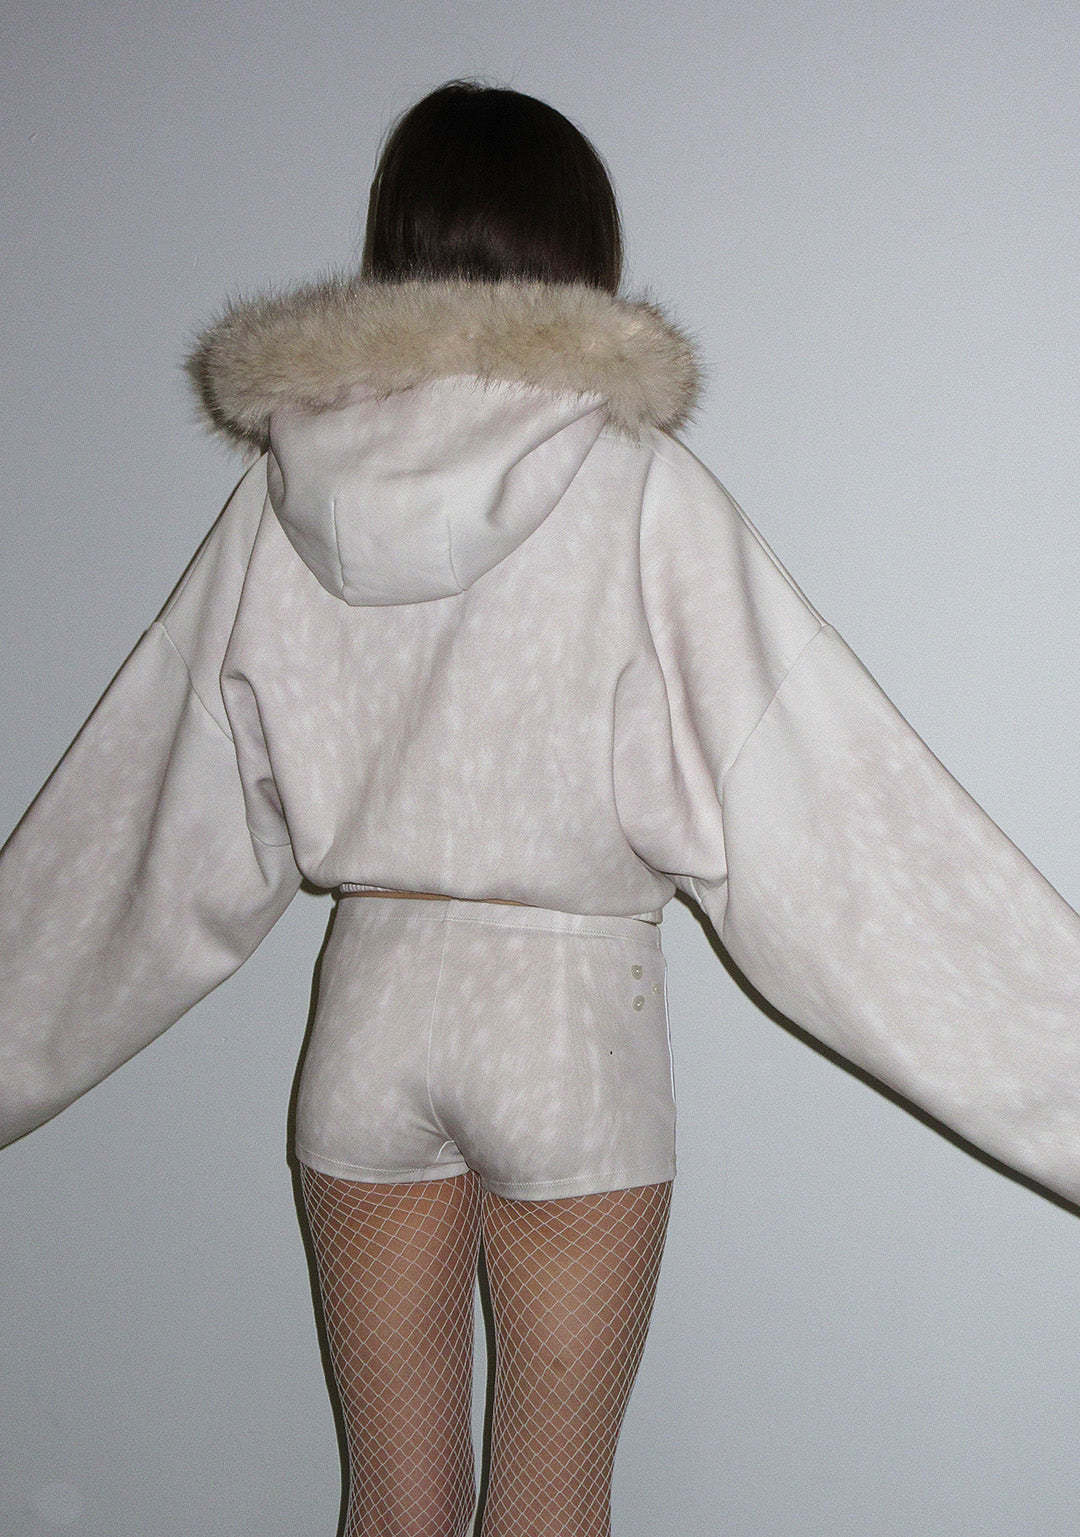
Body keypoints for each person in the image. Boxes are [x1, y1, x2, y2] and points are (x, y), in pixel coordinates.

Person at [1, 76, 1078, 1536]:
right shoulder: (634, 488)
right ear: (585, 253)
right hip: (570, 1031)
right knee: (551, 1513)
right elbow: (827, 810)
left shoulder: (279, 499)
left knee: (391, 1508)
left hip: (368, 1019)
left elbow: (138, 816)